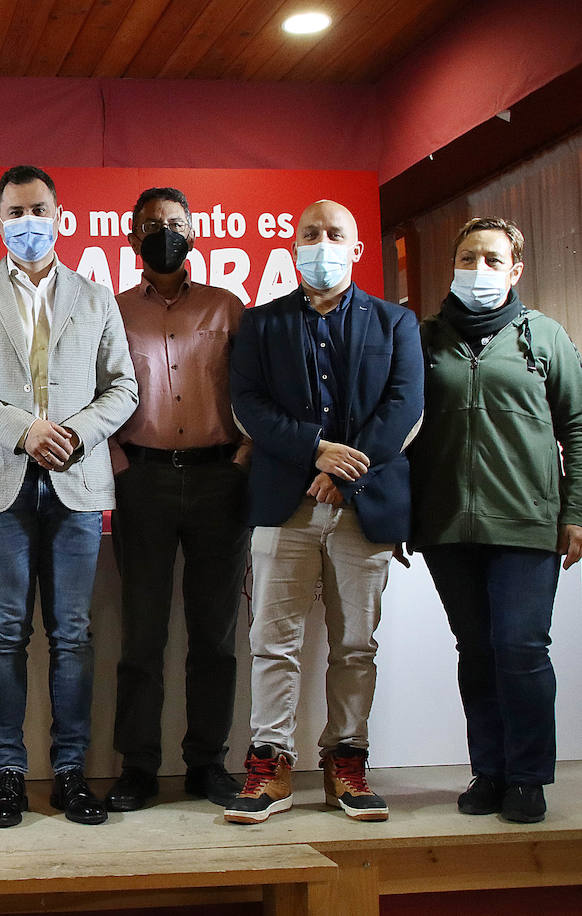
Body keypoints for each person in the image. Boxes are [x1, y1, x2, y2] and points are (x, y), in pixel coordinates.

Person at [0, 165, 138, 828]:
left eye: (38, 209)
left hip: (78, 483)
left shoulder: (95, 296)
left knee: (73, 636)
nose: (28, 222)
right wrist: (25, 430)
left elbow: (123, 389)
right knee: (6, 633)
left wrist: (74, 432)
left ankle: (72, 772)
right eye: (15, 211)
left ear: (59, 213)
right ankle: (11, 774)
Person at [224, 199, 423, 825]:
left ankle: (346, 761)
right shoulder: (260, 324)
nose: (321, 242)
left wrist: (348, 467)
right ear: (291, 247)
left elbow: (406, 406)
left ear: (356, 249)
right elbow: (248, 406)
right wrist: (316, 451)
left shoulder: (397, 325)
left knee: (355, 645)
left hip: (364, 507)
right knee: (271, 642)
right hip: (286, 503)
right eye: (310, 233)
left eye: (334, 233)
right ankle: (270, 764)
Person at [410, 217, 582, 824]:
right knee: (476, 649)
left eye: (490, 259)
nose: (476, 269)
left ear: (515, 270)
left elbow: (577, 426)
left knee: (520, 647)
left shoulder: (545, 337)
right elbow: (397, 430)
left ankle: (530, 777)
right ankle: (491, 771)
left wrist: (577, 510)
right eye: (466, 257)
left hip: (527, 521)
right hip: (447, 524)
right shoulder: (423, 339)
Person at [105, 187, 247, 812]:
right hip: (145, 479)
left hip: (221, 479)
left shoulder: (228, 307)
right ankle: (137, 765)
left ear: (194, 232)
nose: (165, 232)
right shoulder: (112, 310)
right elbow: (94, 390)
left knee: (214, 634)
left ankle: (206, 762)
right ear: (133, 235)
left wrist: (244, 456)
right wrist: (119, 467)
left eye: (176, 224)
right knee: (143, 633)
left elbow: (255, 390)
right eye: (153, 224)